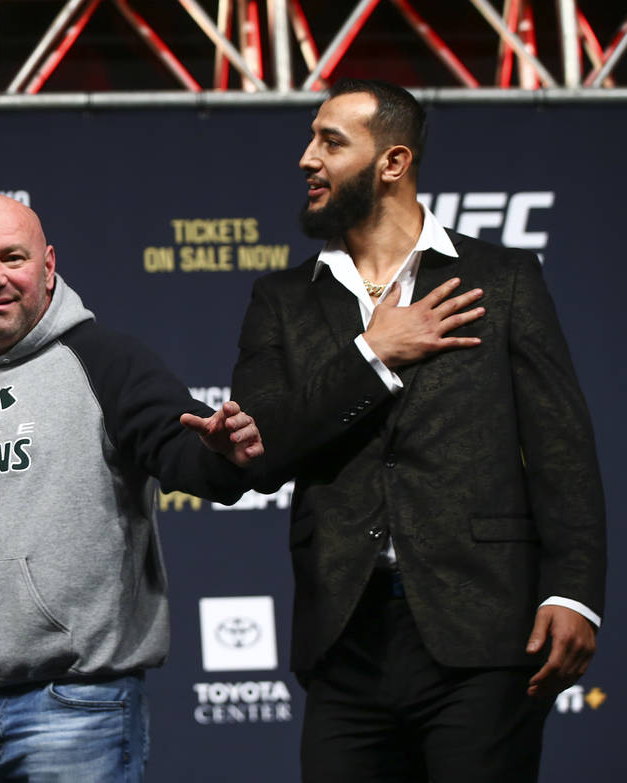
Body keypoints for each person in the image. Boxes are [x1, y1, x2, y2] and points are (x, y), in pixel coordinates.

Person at [230, 79, 605, 782]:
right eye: (312, 138)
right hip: (346, 636)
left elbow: (563, 449)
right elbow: (264, 444)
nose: (307, 159)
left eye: (330, 141)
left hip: (486, 629)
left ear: (392, 162)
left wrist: (573, 590)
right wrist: (373, 354)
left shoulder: (503, 278)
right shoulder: (280, 300)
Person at [0, 193, 263, 781]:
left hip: (77, 707)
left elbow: (181, 446)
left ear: (49, 266)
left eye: (13, 257)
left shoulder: (105, 362)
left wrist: (220, 457)